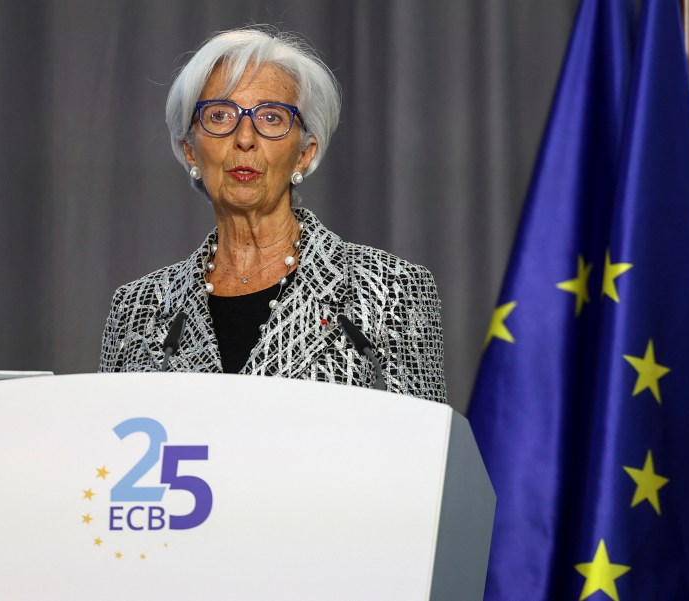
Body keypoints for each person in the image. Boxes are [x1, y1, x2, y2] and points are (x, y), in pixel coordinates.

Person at [98, 26, 446, 404]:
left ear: (304, 152)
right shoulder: (138, 308)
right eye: (219, 115)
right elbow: (113, 450)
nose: (244, 137)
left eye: (271, 118)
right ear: (190, 150)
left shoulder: (387, 290)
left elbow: (426, 449)